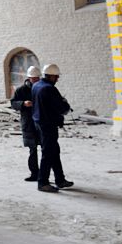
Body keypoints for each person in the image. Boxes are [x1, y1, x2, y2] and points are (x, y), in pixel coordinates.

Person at [31, 63, 73, 192]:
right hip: (48, 124)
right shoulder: (49, 88)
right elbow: (62, 108)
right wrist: (65, 104)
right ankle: (42, 182)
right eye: (56, 77)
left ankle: (60, 180)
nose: (57, 79)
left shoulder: (36, 85)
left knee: (54, 151)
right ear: (50, 76)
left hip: (39, 123)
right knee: (48, 153)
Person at [10, 65, 41, 181]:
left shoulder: (41, 88)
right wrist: (23, 103)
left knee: (46, 149)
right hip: (29, 123)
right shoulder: (21, 90)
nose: (36, 81)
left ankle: (44, 174)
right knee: (32, 149)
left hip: (41, 123)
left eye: (37, 79)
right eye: (34, 79)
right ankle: (34, 174)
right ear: (29, 78)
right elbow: (13, 103)